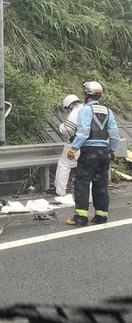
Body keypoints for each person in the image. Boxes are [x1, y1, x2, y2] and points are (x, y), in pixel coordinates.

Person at [66, 81, 120, 226]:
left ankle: (80, 217)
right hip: (103, 153)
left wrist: (73, 148)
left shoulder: (85, 110)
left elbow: (83, 133)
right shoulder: (108, 111)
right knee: (101, 184)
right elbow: (114, 135)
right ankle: (101, 216)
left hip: (89, 152)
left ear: (86, 94)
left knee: (82, 183)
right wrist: (112, 149)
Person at [47, 94, 82, 196]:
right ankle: (89, 195)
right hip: (89, 145)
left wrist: (61, 126)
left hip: (75, 145)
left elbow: (69, 128)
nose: (68, 111)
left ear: (70, 105)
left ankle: (60, 191)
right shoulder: (87, 109)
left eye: (67, 108)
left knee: (64, 164)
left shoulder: (75, 112)